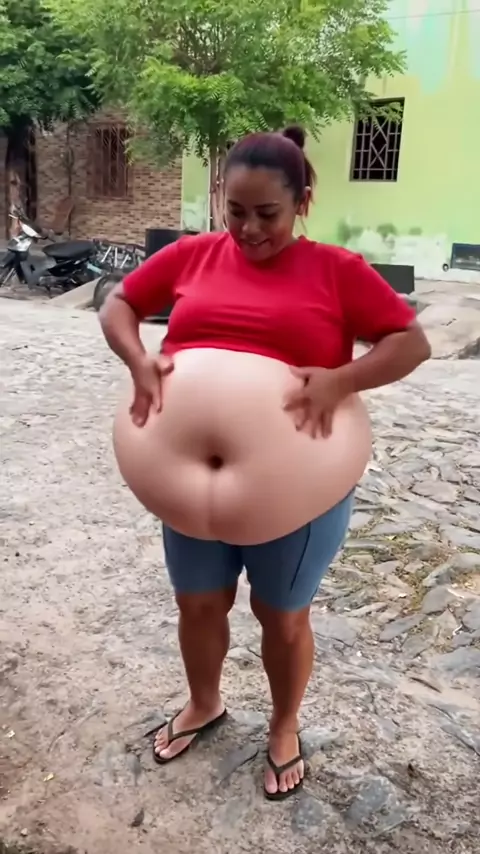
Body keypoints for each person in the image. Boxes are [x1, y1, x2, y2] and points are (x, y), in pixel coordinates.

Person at [99, 125, 430, 801]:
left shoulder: (337, 271)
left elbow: (410, 342)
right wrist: (138, 360)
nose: (249, 229)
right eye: (236, 211)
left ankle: (283, 726)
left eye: (268, 214)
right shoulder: (193, 255)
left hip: (298, 495)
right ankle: (205, 702)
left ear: (303, 203)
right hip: (185, 495)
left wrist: (342, 381)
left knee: (281, 616)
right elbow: (120, 304)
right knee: (197, 606)